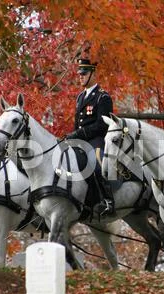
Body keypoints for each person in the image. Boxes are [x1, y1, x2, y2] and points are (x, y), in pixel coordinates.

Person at [65, 58, 114, 217]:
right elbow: (77, 122)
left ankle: (108, 201)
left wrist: (79, 134)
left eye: (84, 74)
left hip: (96, 139)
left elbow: (103, 124)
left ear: (93, 74)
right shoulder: (80, 97)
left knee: (98, 166)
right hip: (79, 140)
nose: (80, 77)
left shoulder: (102, 97)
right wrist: (72, 137)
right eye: (79, 74)